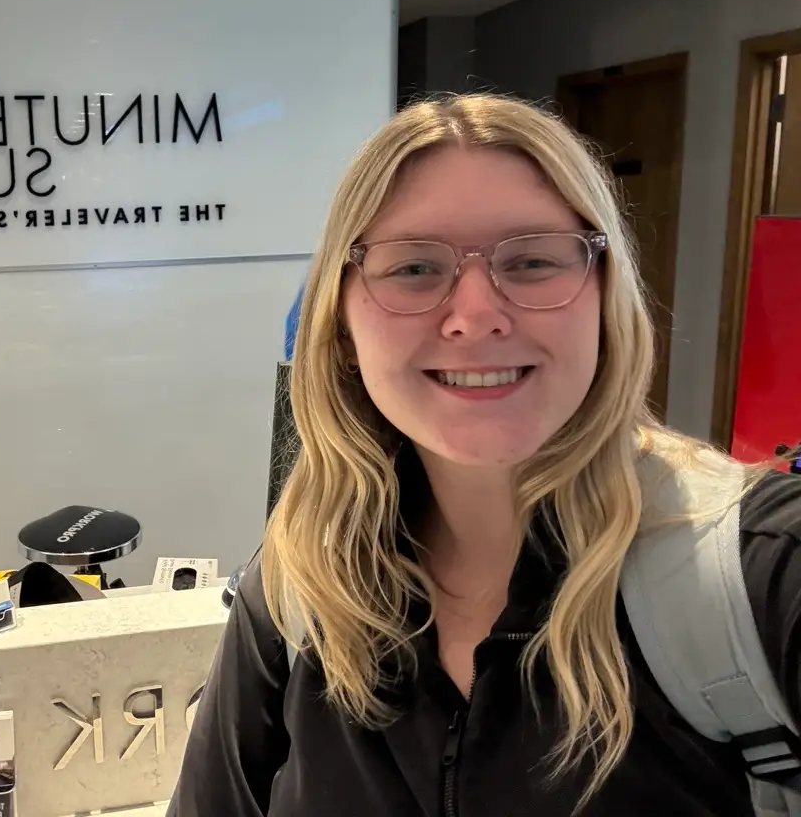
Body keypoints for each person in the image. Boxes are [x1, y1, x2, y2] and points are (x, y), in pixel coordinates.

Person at [167, 95, 801, 816]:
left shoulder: (764, 572)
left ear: (605, 297)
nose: (474, 317)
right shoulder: (302, 583)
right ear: (340, 325)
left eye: (531, 261)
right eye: (414, 268)